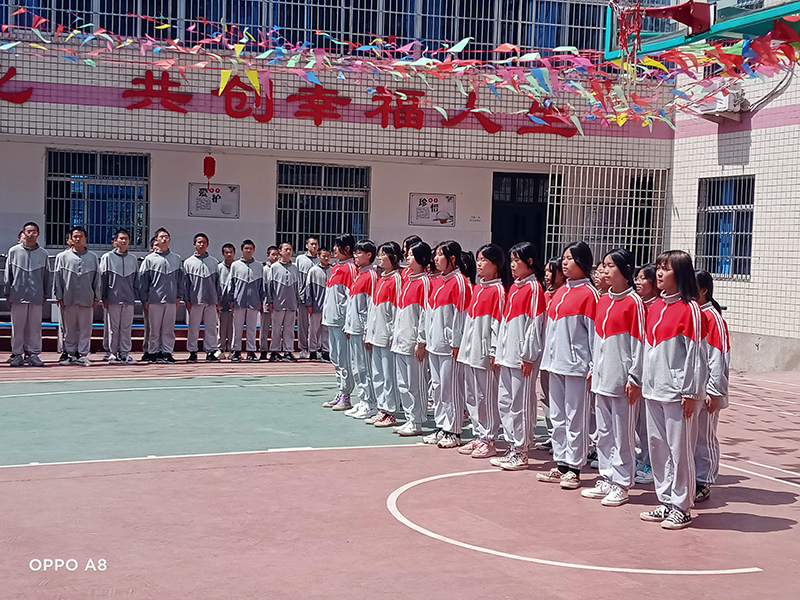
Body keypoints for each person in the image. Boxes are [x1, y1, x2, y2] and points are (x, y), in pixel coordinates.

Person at [639, 250, 704, 530]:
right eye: (658, 267)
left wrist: (690, 392)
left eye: (665, 268)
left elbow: (695, 355)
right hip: (653, 390)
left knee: (679, 450)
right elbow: (646, 349)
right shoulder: (655, 307)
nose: (659, 273)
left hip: (678, 394)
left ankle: (682, 506)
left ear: (680, 273)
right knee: (658, 448)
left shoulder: (690, 309)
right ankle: (665, 500)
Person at [581, 248, 645, 507]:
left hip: (622, 381)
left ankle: (622, 482)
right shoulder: (604, 300)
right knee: (604, 432)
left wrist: (635, 377)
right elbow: (597, 340)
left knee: (622, 434)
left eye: (610, 266)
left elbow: (639, 343)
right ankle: (607, 477)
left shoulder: (634, 303)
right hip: (602, 378)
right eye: (603, 266)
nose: (604, 271)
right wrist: (593, 367)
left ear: (625, 270)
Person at [537, 241, 599, 489]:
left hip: (576, 367)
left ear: (583, 262)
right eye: (563, 258)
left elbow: (594, 334)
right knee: (557, 416)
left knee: (575, 417)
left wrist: (593, 365)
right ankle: (561, 462)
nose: (564, 262)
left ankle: (574, 466)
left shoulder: (589, 294)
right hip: (555, 364)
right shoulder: (560, 292)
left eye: (570, 258)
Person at [491, 241, 546, 470]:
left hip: (521, 359)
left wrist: (528, 356)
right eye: (511, 261)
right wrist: (498, 352)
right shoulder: (514, 288)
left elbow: (534, 324)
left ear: (529, 262)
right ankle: (512, 446)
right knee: (505, 401)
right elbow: (505, 324)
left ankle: (521, 450)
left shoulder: (534, 289)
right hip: (507, 356)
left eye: (517, 260)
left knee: (520, 404)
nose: (512, 265)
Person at [457, 243, 509, 458]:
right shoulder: (479, 288)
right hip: (470, 351)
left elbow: (498, 323)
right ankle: (479, 435)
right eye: (478, 259)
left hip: (484, 353)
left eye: (483, 260)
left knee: (485, 397)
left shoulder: (498, 290)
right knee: (472, 395)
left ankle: (489, 438)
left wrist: (494, 350)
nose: (478, 264)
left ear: (495, 264)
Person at [424, 240, 471, 448]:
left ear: (452, 258)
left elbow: (460, 316)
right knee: (437, 388)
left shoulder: (459, 282)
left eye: (440, 255)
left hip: (450, 347)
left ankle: (454, 430)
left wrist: (457, 343)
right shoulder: (439, 282)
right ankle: (442, 425)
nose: (435, 259)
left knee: (450, 388)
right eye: (435, 254)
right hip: (435, 344)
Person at [694, 269, 730, 504]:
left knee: (704, 437)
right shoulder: (692, 314)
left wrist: (715, 390)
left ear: (704, 290)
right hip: (691, 389)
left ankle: (703, 481)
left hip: (707, 391)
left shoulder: (712, 317)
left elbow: (718, 356)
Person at [391, 241, 432, 437]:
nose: (407, 257)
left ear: (421, 258)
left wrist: (421, 341)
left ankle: (417, 420)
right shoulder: (408, 281)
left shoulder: (424, 282)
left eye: (411, 255)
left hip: (413, 342)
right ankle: (409, 418)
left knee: (415, 383)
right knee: (403, 383)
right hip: (401, 340)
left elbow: (425, 314)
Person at [364, 242, 403, 427]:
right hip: (376, 334)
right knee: (377, 374)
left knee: (389, 376)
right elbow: (373, 309)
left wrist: (393, 333)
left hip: (387, 335)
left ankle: (390, 411)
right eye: (378, 254)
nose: (379, 258)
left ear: (393, 257)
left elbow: (396, 310)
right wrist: (368, 332)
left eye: (383, 254)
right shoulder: (381, 279)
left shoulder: (396, 279)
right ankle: (382, 408)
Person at [5, 221, 51, 367]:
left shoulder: (43, 253)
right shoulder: (14, 251)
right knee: (17, 328)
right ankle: (17, 354)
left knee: (35, 327)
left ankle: (33, 354)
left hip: (36, 296)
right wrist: (8, 293)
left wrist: (46, 294)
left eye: (34, 232)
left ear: (38, 234)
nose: (31, 234)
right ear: (23, 233)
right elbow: (8, 274)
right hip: (17, 295)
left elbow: (47, 276)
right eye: (28, 231)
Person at [341, 239, 379, 419]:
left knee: (365, 368)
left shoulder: (371, 275)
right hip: (353, 328)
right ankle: (363, 400)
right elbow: (353, 304)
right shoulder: (359, 274)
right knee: (357, 367)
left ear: (369, 255)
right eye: (355, 252)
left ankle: (371, 403)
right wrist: (348, 324)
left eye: (359, 253)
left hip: (362, 329)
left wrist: (367, 330)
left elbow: (370, 306)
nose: (355, 256)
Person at [53, 226, 101, 366]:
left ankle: (83, 354)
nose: (78, 239)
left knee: (86, 328)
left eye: (81, 236)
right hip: (68, 299)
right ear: (70, 239)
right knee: (69, 328)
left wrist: (96, 297)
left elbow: (97, 279)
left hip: (87, 298)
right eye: (75, 236)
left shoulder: (92, 257)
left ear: (85, 238)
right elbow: (57, 277)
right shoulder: (62, 257)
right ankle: (70, 353)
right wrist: (59, 296)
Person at [322, 234, 358, 410]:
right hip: (332, 319)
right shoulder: (336, 267)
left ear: (347, 248)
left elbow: (351, 297)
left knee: (344, 359)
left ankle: (346, 394)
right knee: (335, 357)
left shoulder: (350, 268)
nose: (334, 249)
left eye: (337, 246)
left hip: (342, 321)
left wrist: (348, 321)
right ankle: (340, 390)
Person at [138, 228, 183, 364]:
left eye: (167, 236)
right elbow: (143, 281)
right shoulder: (149, 259)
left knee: (168, 328)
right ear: (156, 240)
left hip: (171, 299)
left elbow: (180, 280)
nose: (164, 239)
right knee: (154, 328)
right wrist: (144, 299)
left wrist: (179, 296)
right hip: (154, 299)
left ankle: (167, 352)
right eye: (161, 236)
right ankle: (153, 351)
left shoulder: (176, 258)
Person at [536, 257, 566, 452]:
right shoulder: (545, 295)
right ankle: (553, 433)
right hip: (546, 354)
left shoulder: (564, 295)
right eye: (545, 271)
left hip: (561, 356)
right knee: (547, 396)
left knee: (563, 399)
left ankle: (566, 439)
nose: (547, 275)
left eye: (551, 271)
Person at [634, 263, 658, 484]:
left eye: (643, 278)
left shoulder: (656, 306)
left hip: (652, 374)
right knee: (639, 422)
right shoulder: (640, 305)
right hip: (639, 371)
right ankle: (642, 459)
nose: (638, 282)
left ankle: (651, 463)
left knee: (649, 424)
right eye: (637, 278)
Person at [99, 228, 139, 365]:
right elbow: (103, 279)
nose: (123, 241)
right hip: (112, 299)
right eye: (121, 238)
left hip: (128, 300)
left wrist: (134, 297)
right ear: (114, 241)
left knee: (126, 327)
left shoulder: (133, 259)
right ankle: (112, 353)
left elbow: (136, 281)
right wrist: (104, 297)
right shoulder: (107, 258)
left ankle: (125, 353)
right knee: (113, 328)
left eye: (126, 239)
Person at [183, 233, 221, 363]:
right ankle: (192, 352)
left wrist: (218, 298)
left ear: (207, 244)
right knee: (193, 327)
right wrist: (187, 300)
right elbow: (186, 284)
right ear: (194, 244)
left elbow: (217, 282)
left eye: (204, 242)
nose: (201, 244)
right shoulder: (188, 262)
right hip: (195, 300)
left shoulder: (213, 262)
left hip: (211, 299)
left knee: (211, 327)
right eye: (199, 242)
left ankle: (211, 351)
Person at [229, 239, 263, 362]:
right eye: (246, 248)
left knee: (252, 328)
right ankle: (236, 351)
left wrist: (261, 300)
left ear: (254, 250)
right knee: (237, 328)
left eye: (251, 249)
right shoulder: (235, 265)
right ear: (242, 250)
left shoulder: (259, 266)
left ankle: (251, 351)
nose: (248, 251)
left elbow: (261, 286)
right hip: (239, 301)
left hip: (254, 301)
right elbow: (231, 284)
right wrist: (231, 299)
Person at [267, 242, 301, 362]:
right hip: (278, 303)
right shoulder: (274, 267)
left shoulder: (295, 268)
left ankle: (288, 351)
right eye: (286, 249)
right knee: (276, 328)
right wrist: (270, 301)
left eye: (290, 249)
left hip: (291, 303)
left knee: (289, 329)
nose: (288, 251)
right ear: (280, 251)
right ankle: (274, 351)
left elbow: (297, 286)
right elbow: (270, 285)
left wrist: (297, 300)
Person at [295, 236, 320, 359]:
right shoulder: (300, 259)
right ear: (306, 246)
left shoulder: (320, 260)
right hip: (303, 296)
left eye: (316, 244)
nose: (314, 246)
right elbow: (297, 278)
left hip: (317, 298)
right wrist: (299, 293)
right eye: (311, 244)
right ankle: (303, 348)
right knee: (303, 324)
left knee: (316, 325)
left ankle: (315, 348)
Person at [305, 248, 332, 361]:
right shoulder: (313, 270)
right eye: (323, 256)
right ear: (318, 256)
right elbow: (308, 288)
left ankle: (326, 351)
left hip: (329, 307)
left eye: (328, 256)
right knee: (314, 329)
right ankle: (312, 351)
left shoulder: (332, 270)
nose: (326, 258)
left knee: (326, 330)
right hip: (316, 305)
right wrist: (309, 303)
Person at [259, 245, 280, 360]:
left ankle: (275, 350)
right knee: (264, 327)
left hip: (277, 302)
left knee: (277, 328)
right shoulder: (264, 269)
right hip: (266, 301)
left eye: (277, 255)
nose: (275, 257)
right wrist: (262, 301)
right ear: (268, 255)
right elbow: (262, 286)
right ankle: (263, 349)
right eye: (273, 254)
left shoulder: (279, 268)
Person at [218, 243, 237, 358]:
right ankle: (220, 348)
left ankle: (232, 349)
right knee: (222, 326)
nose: (229, 254)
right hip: (222, 301)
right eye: (226, 252)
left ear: (234, 253)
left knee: (233, 327)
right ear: (223, 254)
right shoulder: (219, 267)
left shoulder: (237, 266)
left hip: (236, 302)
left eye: (231, 252)